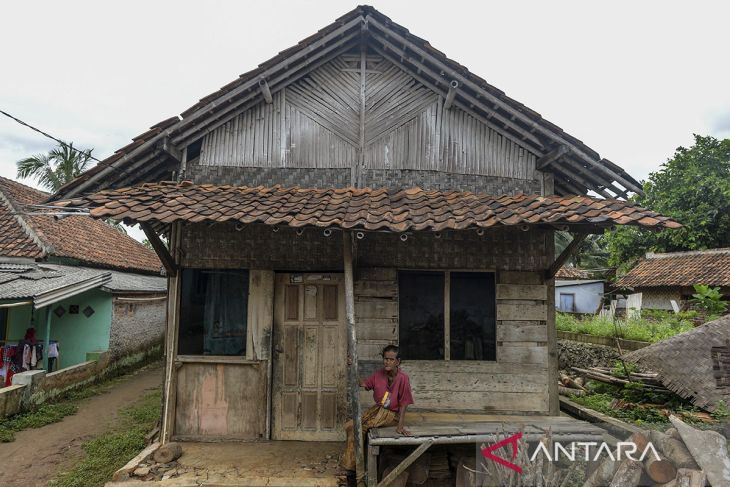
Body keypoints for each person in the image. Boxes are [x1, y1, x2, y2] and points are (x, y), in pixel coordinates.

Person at [340, 344, 414, 480]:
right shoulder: (378, 375)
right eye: (386, 359)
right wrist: (352, 367)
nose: (388, 362)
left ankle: (355, 470)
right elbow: (363, 384)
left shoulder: (403, 378)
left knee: (361, 429)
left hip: (392, 415)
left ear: (398, 362)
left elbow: (404, 403)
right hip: (377, 411)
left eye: (391, 359)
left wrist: (400, 425)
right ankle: (353, 464)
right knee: (351, 426)